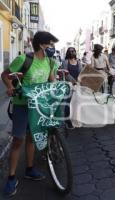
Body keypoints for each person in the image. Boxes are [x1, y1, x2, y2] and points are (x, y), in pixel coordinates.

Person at [1, 31, 59, 197]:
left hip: (39, 106)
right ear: (41, 44)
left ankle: (29, 169)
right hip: (22, 105)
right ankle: (11, 177)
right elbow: (5, 75)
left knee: (33, 138)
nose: (52, 47)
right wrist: (10, 87)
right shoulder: (24, 59)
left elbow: (52, 81)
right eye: (50, 44)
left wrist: (61, 88)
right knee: (18, 140)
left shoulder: (49, 61)